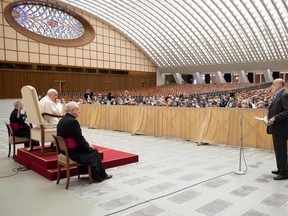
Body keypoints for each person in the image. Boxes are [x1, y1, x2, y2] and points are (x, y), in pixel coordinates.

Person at [57, 101, 112, 183]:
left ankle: (87, 172)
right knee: (94, 152)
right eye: (78, 109)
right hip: (72, 152)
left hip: (65, 150)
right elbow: (79, 139)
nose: (79, 111)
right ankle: (100, 176)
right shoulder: (73, 121)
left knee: (88, 150)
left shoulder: (62, 120)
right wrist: (88, 146)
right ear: (73, 110)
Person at [267, 78, 288, 180]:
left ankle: (284, 173)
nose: (272, 85)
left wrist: (275, 118)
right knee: (278, 150)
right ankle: (281, 168)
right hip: (277, 127)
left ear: (281, 84)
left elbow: (287, 111)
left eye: (274, 84)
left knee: (281, 151)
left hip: (281, 128)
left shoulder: (284, 94)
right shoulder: (279, 94)